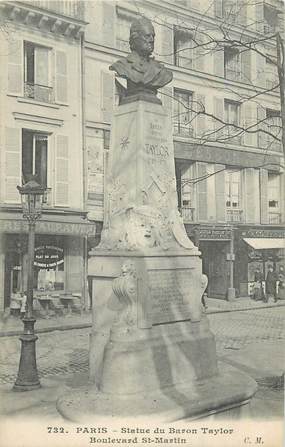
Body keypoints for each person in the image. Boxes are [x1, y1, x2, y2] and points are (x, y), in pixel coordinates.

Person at [110, 17, 173, 98]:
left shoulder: (162, 71)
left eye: (153, 36)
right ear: (135, 38)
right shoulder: (122, 65)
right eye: (147, 36)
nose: (151, 40)